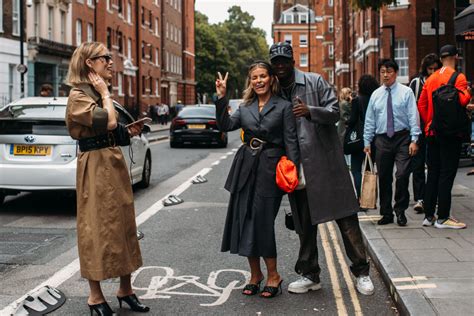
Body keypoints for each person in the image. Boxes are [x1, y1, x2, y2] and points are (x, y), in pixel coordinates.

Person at [269, 42, 374, 296]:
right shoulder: (274, 91)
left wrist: (310, 111)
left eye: (284, 60)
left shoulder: (315, 82)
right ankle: (310, 274)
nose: (280, 66)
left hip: (325, 163)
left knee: (346, 220)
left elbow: (335, 111)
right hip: (295, 167)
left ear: (293, 62)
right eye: (276, 62)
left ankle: (362, 272)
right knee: (304, 225)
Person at [65, 42, 149, 315]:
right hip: (94, 165)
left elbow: (113, 129)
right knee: (96, 228)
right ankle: (95, 297)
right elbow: (108, 122)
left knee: (124, 224)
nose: (111, 62)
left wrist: (126, 132)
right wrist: (103, 93)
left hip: (112, 161)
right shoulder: (80, 95)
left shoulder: (97, 93)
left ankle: (126, 290)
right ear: (90, 63)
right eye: (105, 58)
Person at [214, 61, 299, 298]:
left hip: (271, 169)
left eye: (263, 76)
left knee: (262, 222)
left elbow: (291, 141)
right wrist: (221, 97)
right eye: (254, 77)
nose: (259, 81)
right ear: (250, 82)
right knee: (245, 221)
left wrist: (294, 173)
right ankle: (255, 275)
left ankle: (274, 275)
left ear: (271, 79)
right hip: (245, 168)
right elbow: (225, 125)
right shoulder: (246, 106)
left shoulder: (283, 107)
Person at [417, 44, 472, 229]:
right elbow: (463, 100)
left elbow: (421, 104)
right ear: (456, 57)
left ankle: (428, 216)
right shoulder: (459, 77)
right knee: (447, 174)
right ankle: (443, 218)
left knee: (432, 173)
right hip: (450, 134)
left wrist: (429, 122)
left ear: (441, 59)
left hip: (432, 133)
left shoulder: (431, 78)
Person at [364, 59, 421, 226]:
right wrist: (367, 142)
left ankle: (400, 210)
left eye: (389, 71)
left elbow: (413, 116)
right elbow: (370, 120)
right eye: (382, 71)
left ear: (395, 73)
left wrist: (414, 139)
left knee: (402, 174)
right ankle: (386, 212)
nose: (385, 75)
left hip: (403, 138)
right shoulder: (376, 95)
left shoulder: (406, 92)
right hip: (382, 139)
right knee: (384, 177)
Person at [408, 53, 441, 214]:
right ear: (425, 69)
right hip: (419, 128)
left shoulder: (442, 82)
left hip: (436, 128)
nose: (433, 72)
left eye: (436, 69)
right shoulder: (416, 83)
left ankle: (432, 198)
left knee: (434, 164)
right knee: (418, 164)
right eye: (430, 69)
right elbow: (411, 107)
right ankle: (420, 198)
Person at [347, 75, 380, 199]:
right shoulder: (376, 98)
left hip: (358, 140)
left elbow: (353, 120)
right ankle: (368, 198)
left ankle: (360, 198)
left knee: (356, 170)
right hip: (373, 139)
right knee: (369, 170)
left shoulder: (357, 100)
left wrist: (347, 124)